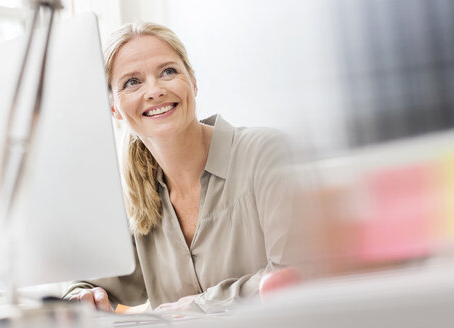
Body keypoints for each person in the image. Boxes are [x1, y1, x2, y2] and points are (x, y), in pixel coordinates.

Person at [63, 22, 301, 314]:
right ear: (113, 108)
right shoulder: (140, 199)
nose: (155, 90)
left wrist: (199, 306)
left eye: (168, 72)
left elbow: (293, 279)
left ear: (193, 82)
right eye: (132, 82)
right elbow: (84, 285)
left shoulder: (266, 154)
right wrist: (85, 297)